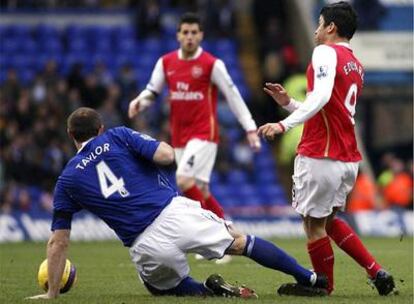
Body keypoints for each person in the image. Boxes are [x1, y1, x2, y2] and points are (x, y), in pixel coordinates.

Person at [27, 107, 327, 300]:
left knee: (160, 287)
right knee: (239, 243)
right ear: (100, 128)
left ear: (71, 136)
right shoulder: (118, 136)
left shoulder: (67, 179)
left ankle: (208, 293)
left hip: (143, 244)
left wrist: (52, 293)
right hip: (172, 212)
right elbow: (167, 156)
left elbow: (58, 242)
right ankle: (309, 278)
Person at [257, 1, 396, 296]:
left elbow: (319, 97)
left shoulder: (324, 52)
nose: (317, 30)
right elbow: (327, 107)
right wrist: (289, 104)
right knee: (329, 221)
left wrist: (283, 125)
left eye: (320, 24)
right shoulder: (354, 63)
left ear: (331, 27)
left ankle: (324, 286)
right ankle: (375, 270)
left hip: (322, 154)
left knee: (313, 224)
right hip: (346, 158)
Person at [128, 12, 261, 224]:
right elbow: (152, 91)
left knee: (183, 179)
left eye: (194, 32)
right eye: (185, 32)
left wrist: (250, 128)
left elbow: (232, 95)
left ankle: (214, 233)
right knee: (201, 189)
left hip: (204, 133)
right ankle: (228, 233)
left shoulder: (211, 64)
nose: (189, 36)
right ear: (178, 35)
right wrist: (139, 102)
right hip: (180, 135)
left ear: (201, 35)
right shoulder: (166, 62)